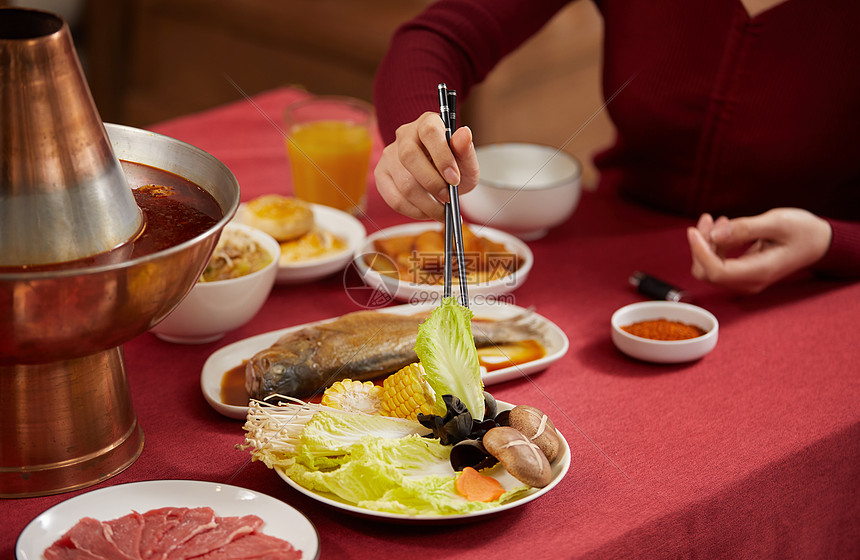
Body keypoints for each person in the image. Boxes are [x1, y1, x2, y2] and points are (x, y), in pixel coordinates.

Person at [372, 0, 860, 294]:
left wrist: (832, 243)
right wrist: (420, 130)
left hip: (818, 292)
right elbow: (437, 38)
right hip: (609, 260)